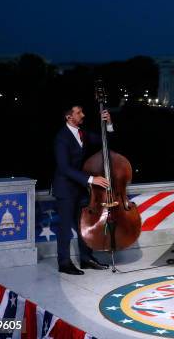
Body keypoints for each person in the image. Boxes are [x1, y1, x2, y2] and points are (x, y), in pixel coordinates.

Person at [52, 105, 111, 275]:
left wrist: (108, 124)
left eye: (82, 111)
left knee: (84, 225)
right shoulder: (61, 137)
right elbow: (64, 168)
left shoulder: (81, 132)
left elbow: (104, 141)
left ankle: (86, 259)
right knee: (64, 228)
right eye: (79, 113)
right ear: (69, 117)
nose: (83, 115)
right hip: (65, 189)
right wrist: (92, 179)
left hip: (79, 188)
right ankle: (64, 263)